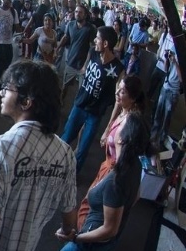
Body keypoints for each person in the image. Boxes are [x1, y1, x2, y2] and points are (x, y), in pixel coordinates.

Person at [0, 60, 77, 251]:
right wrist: (66, 231)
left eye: (7, 89)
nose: (1, 93)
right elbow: (69, 220)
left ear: (26, 102)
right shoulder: (66, 154)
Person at [57, 113, 149, 250]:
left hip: (91, 244)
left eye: (120, 125)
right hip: (104, 241)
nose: (116, 126)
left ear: (122, 139)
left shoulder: (116, 181)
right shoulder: (136, 164)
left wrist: (76, 238)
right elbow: (136, 196)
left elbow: (109, 229)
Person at [75, 75, 145, 230]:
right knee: (89, 204)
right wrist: (107, 131)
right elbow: (116, 110)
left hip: (112, 172)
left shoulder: (128, 124)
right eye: (118, 88)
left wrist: (113, 193)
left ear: (132, 98)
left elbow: (122, 166)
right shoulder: (124, 110)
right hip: (107, 167)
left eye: (122, 92)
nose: (117, 93)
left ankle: (84, 237)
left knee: (91, 206)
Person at [61, 26, 125, 173]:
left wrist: (109, 126)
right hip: (79, 105)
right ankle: (55, 163)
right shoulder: (92, 52)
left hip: (95, 114)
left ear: (106, 44)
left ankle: (73, 176)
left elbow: (118, 100)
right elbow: (84, 70)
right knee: (65, 138)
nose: (95, 40)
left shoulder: (119, 69)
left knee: (83, 148)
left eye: (97, 38)